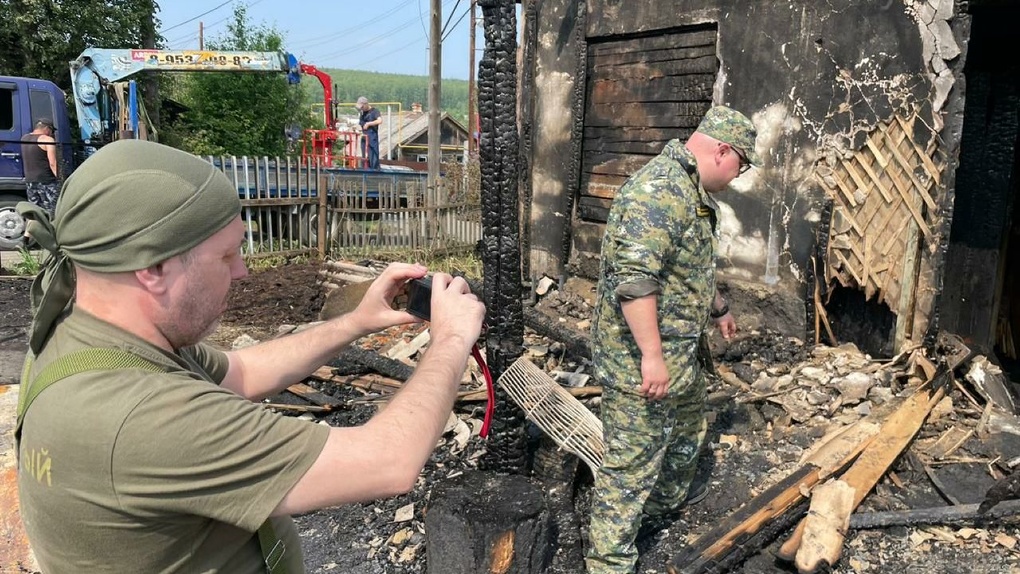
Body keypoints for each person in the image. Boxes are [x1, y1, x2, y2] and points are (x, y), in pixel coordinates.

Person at [14, 139, 485, 573]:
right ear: (154, 267)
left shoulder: (89, 334)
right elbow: (388, 462)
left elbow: (240, 371)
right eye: (226, 256)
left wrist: (355, 321)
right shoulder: (141, 417)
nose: (241, 272)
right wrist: (450, 339)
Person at [585, 105, 760, 574]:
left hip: (683, 354)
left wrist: (719, 309)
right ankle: (609, 561)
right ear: (722, 150)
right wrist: (651, 357)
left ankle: (661, 508)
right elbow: (635, 281)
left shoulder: (692, 193)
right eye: (740, 166)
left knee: (685, 435)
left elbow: (692, 268)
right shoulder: (658, 191)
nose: (738, 176)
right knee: (631, 463)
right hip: (640, 359)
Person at [20, 118, 59, 215]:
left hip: (30, 181)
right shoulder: (48, 140)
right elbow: (53, 163)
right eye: (52, 131)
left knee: (35, 212)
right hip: (47, 181)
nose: (51, 133)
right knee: (52, 211)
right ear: (47, 128)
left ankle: (34, 229)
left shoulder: (24, 138)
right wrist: (61, 179)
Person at [356, 96, 382, 169]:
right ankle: (365, 168)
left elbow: (380, 121)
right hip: (364, 137)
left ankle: (374, 170)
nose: (361, 109)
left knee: (372, 155)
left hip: (372, 137)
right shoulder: (362, 113)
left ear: (366, 104)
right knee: (364, 155)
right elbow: (361, 124)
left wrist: (368, 124)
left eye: (362, 107)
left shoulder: (374, 111)